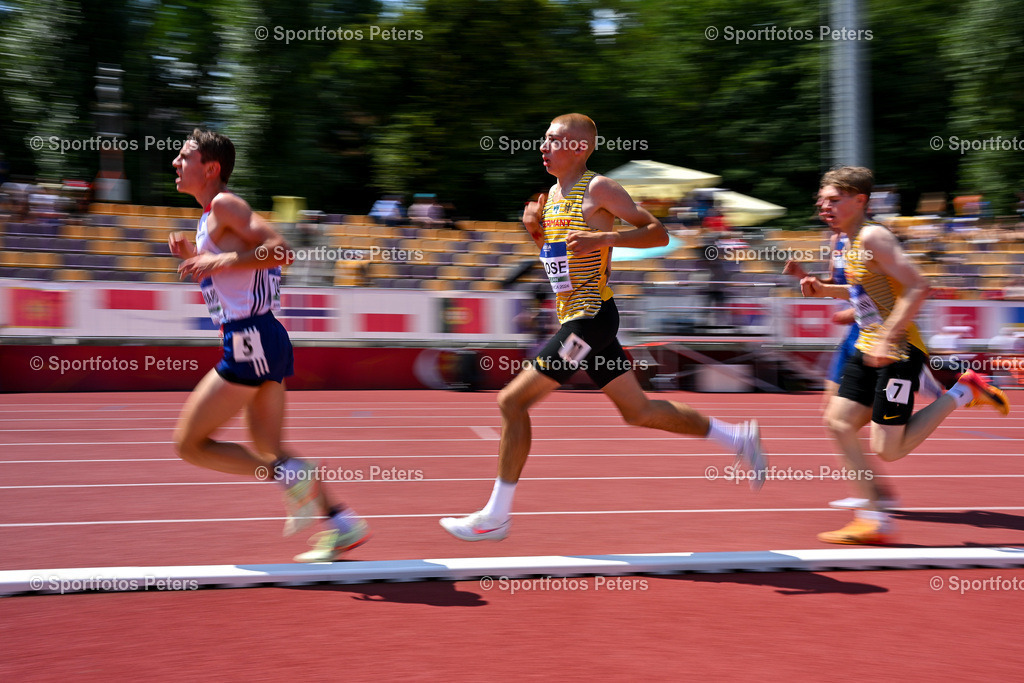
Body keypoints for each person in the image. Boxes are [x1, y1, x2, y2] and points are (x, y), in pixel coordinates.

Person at [440, 113, 767, 542]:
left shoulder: (598, 188)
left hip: (589, 319)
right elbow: (560, 264)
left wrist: (605, 240)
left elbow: (656, 233)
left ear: (579, 147)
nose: (543, 146)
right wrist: (535, 231)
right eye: (544, 139)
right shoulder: (553, 195)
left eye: (553, 139)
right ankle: (738, 437)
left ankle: (495, 516)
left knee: (511, 403)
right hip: (585, 318)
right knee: (640, 412)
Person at [168, 129, 368, 562]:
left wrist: (214, 260)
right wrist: (197, 262)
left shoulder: (224, 204)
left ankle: (286, 476)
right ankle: (341, 522)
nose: (175, 163)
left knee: (190, 444)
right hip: (264, 337)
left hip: (250, 337)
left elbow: (281, 250)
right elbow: (237, 277)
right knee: (270, 448)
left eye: (184, 157)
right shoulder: (207, 219)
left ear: (211, 167)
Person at [799, 166, 1010, 545]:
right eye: (821, 199)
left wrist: (888, 339)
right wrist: (823, 290)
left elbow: (919, 286)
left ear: (859, 200)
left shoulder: (875, 237)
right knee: (837, 422)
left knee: (888, 449)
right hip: (867, 347)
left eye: (833, 199)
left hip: (898, 352)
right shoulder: (844, 242)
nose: (823, 205)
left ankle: (963, 391)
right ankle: (872, 518)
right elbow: (864, 295)